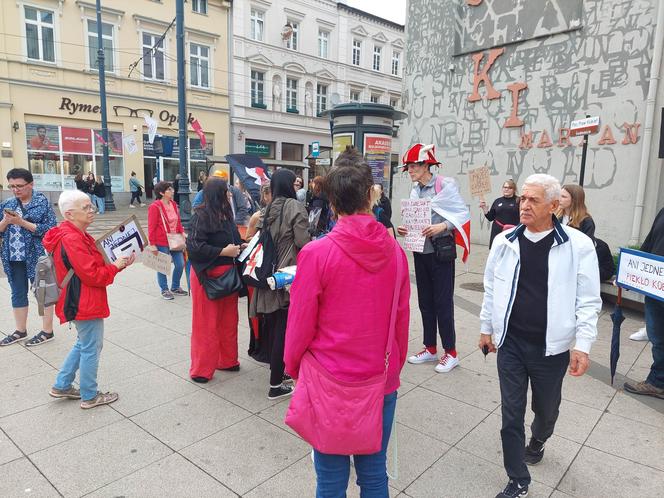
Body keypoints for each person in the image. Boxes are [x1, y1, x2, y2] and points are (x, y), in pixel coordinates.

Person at [285, 147, 410, 496]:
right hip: (379, 379)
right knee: (374, 475)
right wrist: (392, 371)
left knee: (329, 478)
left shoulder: (316, 254)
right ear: (371, 196)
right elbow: (401, 324)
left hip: (328, 379)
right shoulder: (397, 255)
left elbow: (299, 325)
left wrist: (294, 367)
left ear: (333, 203)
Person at [479, 174, 601, 498]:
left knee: (546, 410)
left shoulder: (578, 246)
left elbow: (589, 301)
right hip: (512, 344)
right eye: (523, 198)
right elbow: (491, 287)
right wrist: (486, 329)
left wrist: (583, 346)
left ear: (553, 205)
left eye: (533, 200)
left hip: (552, 349)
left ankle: (540, 437)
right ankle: (518, 479)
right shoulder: (504, 242)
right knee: (510, 416)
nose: (525, 205)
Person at [44, 190, 134, 409]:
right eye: (85, 208)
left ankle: (62, 384)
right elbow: (92, 274)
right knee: (91, 347)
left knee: (84, 343)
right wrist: (115, 267)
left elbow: (90, 268)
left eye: (90, 205)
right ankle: (90, 395)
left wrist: (117, 265)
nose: (91, 210)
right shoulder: (73, 238)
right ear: (69, 214)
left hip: (78, 298)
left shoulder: (71, 233)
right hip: (82, 300)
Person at [397, 143, 470, 373]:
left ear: (426, 165)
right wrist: (406, 228)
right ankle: (430, 348)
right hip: (421, 250)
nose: (409, 170)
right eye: (408, 167)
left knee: (443, 302)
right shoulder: (415, 190)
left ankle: (451, 352)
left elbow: (461, 214)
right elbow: (414, 219)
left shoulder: (443, 186)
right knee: (425, 302)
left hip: (441, 251)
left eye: (413, 166)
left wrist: (442, 226)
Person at [250, 169, 310, 399]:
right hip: (287, 276)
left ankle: (280, 374)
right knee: (283, 330)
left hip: (268, 274)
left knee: (274, 327)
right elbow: (302, 242)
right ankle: (276, 385)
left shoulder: (268, 208)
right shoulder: (294, 207)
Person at [187, 177, 244, 383]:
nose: (229, 194)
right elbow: (194, 247)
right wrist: (223, 251)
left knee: (229, 321)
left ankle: (227, 360)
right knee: (206, 324)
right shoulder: (200, 215)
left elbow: (234, 239)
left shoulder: (225, 214)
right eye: (226, 191)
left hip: (228, 276)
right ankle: (201, 369)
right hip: (207, 276)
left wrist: (241, 245)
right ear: (217, 194)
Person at [0, 168, 58, 347]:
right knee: (17, 292)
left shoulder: (42, 202)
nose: (16, 190)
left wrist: (21, 222)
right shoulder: (7, 203)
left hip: (37, 256)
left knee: (43, 293)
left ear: (31, 184)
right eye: (12, 186)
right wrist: (5, 222)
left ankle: (47, 331)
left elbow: (50, 230)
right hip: (13, 256)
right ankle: (20, 330)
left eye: (19, 186)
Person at [623, 207, 664, 398]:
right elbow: (649, 243)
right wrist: (631, 273)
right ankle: (658, 382)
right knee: (658, 337)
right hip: (656, 288)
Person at [147, 181, 187, 300]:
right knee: (162, 266)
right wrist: (152, 244)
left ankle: (175, 286)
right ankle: (164, 289)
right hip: (161, 241)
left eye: (172, 189)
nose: (172, 191)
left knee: (180, 264)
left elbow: (178, 221)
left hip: (175, 239)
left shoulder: (173, 204)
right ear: (161, 192)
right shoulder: (155, 207)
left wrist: (182, 232)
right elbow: (151, 227)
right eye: (169, 189)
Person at [245, 181, 271, 364]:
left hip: (273, 269)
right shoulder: (257, 216)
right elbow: (247, 238)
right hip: (257, 267)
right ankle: (258, 343)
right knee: (256, 309)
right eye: (268, 194)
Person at [480, 179, 520, 247]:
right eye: (505, 187)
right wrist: (484, 208)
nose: (506, 189)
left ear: (514, 189)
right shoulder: (497, 201)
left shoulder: (519, 200)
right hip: (497, 231)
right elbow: (490, 218)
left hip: (512, 232)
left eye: (509, 188)